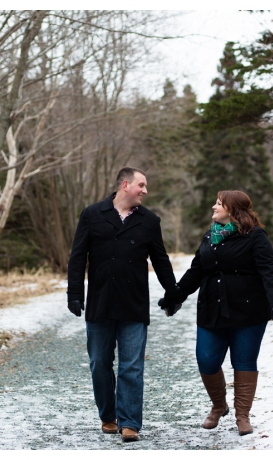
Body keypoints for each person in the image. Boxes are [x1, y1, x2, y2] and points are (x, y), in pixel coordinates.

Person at [67, 166, 185, 443]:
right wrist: (74, 294)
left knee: (131, 367)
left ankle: (130, 422)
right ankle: (108, 415)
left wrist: (174, 294)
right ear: (125, 184)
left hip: (133, 305)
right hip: (99, 304)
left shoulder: (149, 221)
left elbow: (161, 261)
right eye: (141, 185)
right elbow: (77, 257)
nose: (145, 190)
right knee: (99, 363)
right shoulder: (92, 214)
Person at [163, 190, 273, 436]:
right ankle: (219, 406)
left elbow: (269, 271)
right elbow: (196, 271)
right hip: (212, 308)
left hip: (249, 310)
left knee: (243, 361)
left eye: (219, 204)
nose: (213, 207)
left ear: (232, 209)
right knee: (206, 360)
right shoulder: (210, 235)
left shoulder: (256, 236)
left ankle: (242, 416)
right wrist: (175, 296)